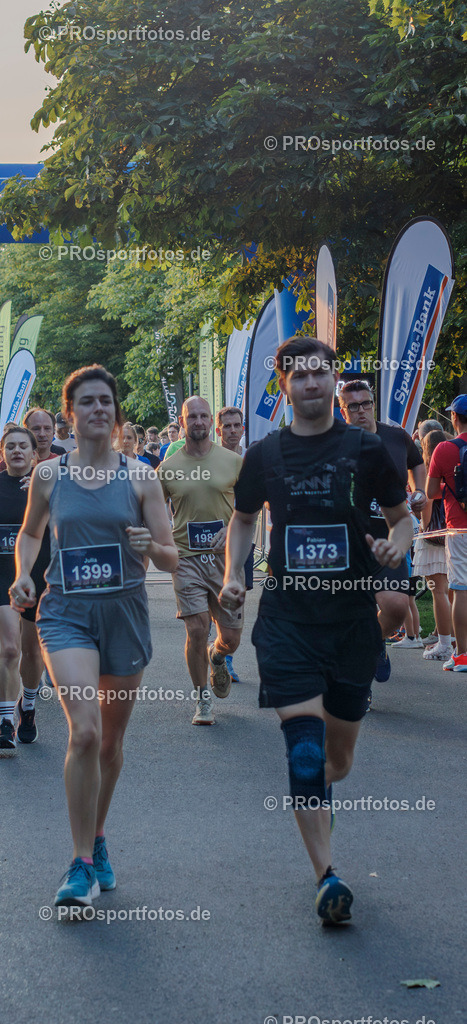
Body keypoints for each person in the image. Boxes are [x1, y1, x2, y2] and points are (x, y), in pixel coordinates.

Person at [220, 336, 412, 925]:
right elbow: (244, 520)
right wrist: (234, 576)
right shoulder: (266, 455)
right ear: (283, 384)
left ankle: (320, 803)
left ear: (333, 381)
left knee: (338, 760)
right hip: (287, 621)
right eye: (298, 376)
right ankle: (327, 875)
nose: (310, 384)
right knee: (304, 754)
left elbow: (403, 520)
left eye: (319, 375)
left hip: (353, 622)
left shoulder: (367, 447)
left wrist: (390, 548)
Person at [12, 364, 177, 910]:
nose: (99, 410)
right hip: (67, 613)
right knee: (83, 732)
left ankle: (98, 836)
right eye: (87, 401)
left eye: (106, 401)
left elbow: (172, 556)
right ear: (70, 413)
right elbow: (31, 533)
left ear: (116, 412)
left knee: (109, 742)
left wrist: (148, 547)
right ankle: (80, 862)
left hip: (125, 613)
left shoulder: (141, 477)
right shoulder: (48, 476)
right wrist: (22, 574)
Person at [159, 396, 244, 725]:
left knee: (231, 636)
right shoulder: (167, 468)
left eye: (203, 416)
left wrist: (233, 526)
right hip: (186, 558)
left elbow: (250, 506)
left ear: (212, 422)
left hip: (225, 560)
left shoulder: (233, 462)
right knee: (197, 628)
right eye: (191, 416)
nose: (197, 421)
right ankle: (202, 700)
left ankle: (217, 656)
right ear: (182, 423)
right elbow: (153, 512)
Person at [338, 379, 426, 680]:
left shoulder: (396, 437)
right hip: (350, 545)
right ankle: (358, 680)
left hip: (392, 536)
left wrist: (420, 490)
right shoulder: (336, 444)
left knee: (397, 605)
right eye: (353, 406)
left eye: (366, 404)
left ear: (373, 405)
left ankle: (373, 645)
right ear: (342, 410)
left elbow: (417, 462)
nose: (361, 411)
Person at [0, 426, 50, 750]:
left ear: (35, 453)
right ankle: (5, 723)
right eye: (11, 447)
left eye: (24, 447)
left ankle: (28, 707)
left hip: (40, 575)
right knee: (10, 648)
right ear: (2, 452)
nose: (17, 451)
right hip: (2, 573)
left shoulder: (48, 484)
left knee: (33, 650)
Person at [427, 395, 467, 671]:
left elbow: (430, 493)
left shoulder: (443, 449)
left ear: (454, 417)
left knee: (461, 589)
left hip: (459, 528)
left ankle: (462, 654)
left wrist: (450, 488)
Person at [215, 405, 253, 682]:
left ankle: (225, 657)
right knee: (210, 598)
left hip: (241, 541)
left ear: (243, 428)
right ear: (218, 430)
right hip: (207, 540)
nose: (231, 431)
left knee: (236, 598)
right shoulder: (208, 458)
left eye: (235, 425)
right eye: (226, 426)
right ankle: (211, 643)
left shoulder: (251, 460)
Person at [414, 429, 452, 660]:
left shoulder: (430, 474)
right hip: (451, 535)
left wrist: (422, 525)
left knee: (437, 591)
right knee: (452, 591)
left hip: (432, 539)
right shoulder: (452, 471)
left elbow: (426, 514)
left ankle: (444, 642)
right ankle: (455, 639)